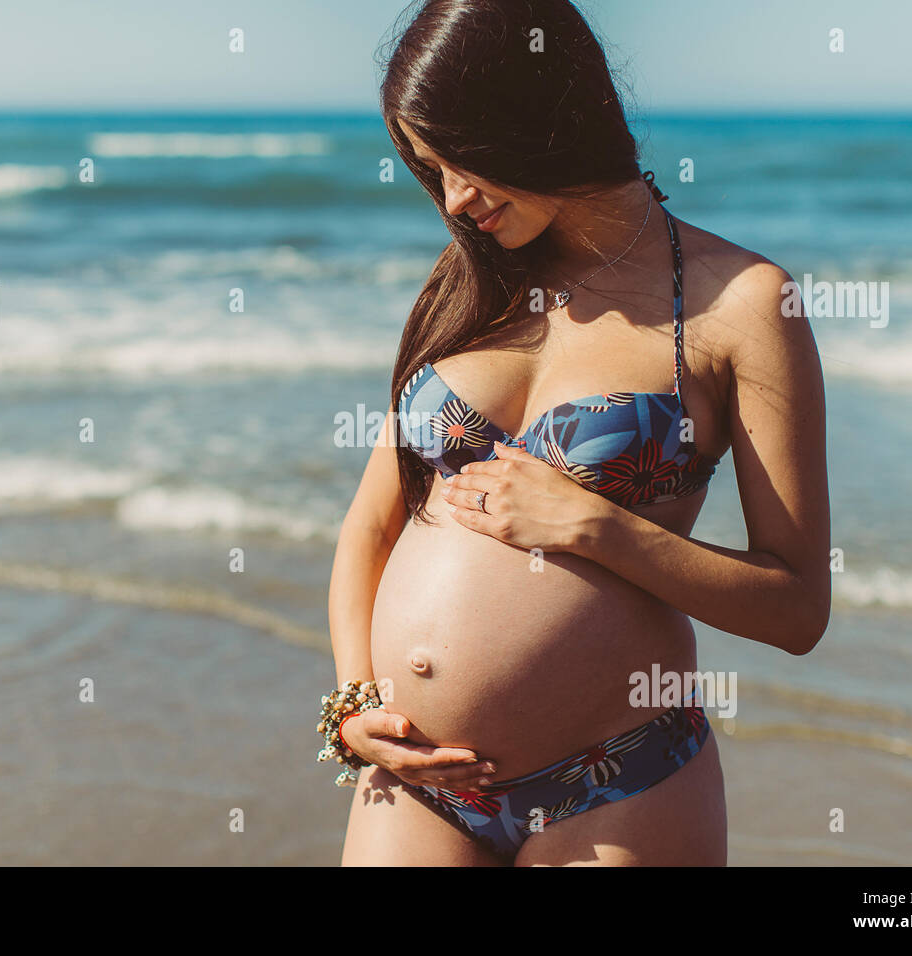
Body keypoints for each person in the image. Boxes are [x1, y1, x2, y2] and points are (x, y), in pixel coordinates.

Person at [321, 0, 830, 866]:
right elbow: (373, 525)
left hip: (615, 784)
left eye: (466, 162)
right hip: (414, 781)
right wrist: (353, 703)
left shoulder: (741, 303)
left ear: (542, 114)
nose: (453, 199)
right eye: (430, 169)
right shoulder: (465, 284)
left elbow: (796, 605)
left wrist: (592, 524)